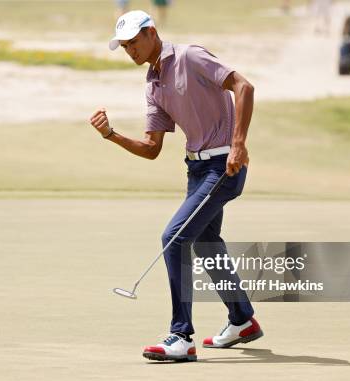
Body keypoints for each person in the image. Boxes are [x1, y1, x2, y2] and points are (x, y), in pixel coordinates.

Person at [90, 10, 263, 362]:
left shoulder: (190, 56)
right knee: (205, 241)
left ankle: (181, 336)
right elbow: (152, 149)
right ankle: (242, 320)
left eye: (134, 43)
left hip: (224, 165)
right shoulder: (153, 84)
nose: (131, 52)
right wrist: (111, 135)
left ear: (151, 32)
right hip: (196, 170)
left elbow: (244, 86)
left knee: (174, 237)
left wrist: (239, 143)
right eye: (125, 47)